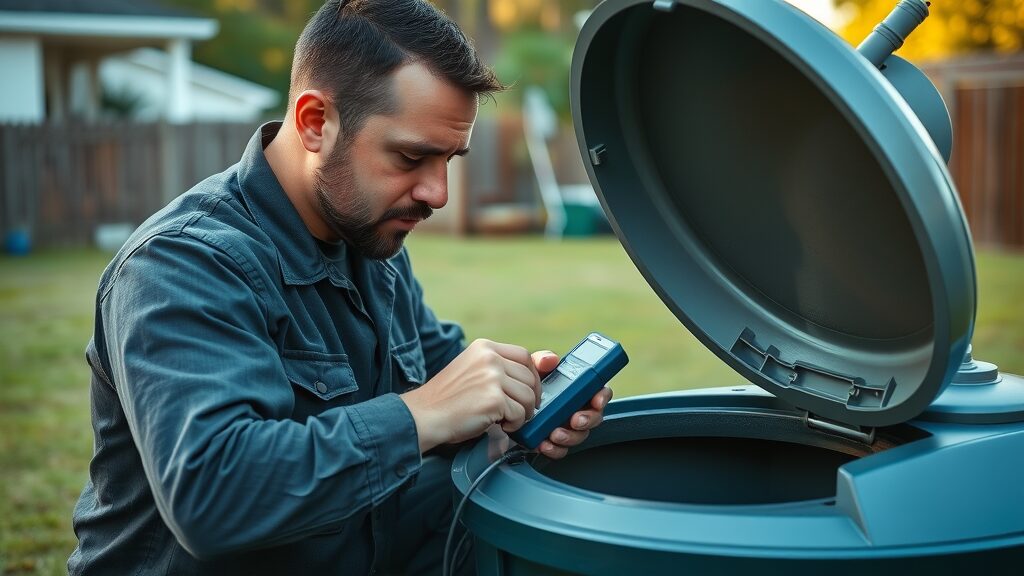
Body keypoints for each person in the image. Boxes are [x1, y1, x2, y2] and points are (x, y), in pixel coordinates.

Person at [68, 1, 612, 574]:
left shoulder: (369, 241)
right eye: (411, 156)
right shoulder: (181, 264)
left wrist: (515, 399)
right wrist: (421, 415)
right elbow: (212, 495)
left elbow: (440, 377)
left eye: (450, 158)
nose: (438, 193)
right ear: (314, 123)